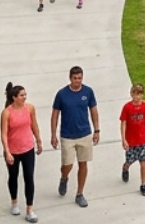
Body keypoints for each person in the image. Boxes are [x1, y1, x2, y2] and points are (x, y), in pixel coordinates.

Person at [50, 66, 99, 207]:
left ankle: (79, 193)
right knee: (67, 164)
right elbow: (54, 115)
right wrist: (53, 135)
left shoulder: (88, 92)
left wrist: (97, 130)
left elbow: (94, 111)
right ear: (70, 78)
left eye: (80, 78)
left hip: (84, 134)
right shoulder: (62, 94)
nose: (77, 81)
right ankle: (64, 177)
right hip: (67, 136)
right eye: (75, 78)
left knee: (83, 164)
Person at [1, 82, 43, 221]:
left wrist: (38, 140)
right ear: (14, 97)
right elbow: (4, 134)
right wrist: (7, 152)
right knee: (13, 177)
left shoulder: (30, 108)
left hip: (28, 148)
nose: (24, 97)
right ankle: (14, 202)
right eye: (21, 95)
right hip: (13, 151)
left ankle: (29, 210)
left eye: (25, 94)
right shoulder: (7, 112)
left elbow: (34, 125)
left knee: (29, 178)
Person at [118, 83, 145, 197]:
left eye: (140, 94)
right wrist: (124, 139)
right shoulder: (127, 108)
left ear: (142, 95)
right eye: (135, 94)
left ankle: (143, 184)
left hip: (142, 139)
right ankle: (125, 167)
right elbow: (123, 123)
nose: (137, 97)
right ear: (131, 94)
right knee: (130, 160)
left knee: (143, 162)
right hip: (131, 141)